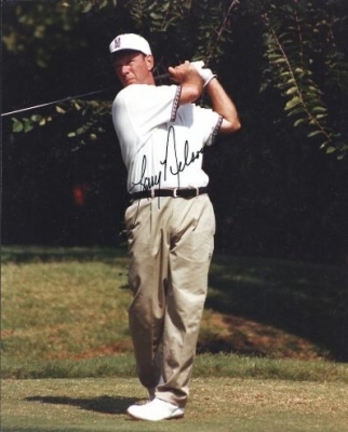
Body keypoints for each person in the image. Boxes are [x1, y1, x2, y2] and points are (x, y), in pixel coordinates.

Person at [109, 33, 241, 421]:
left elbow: (232, 121)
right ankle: (154, 385)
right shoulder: (130, 100)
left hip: (196, 206)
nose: (124, 68)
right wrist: (192, 76)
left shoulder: (190, 110)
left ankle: (170, 397)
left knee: (186, 302)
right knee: (146, 307)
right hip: (148, 207)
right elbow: (189, 91)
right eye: (118, 63)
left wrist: (209, 75)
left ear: (150, 61)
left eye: (131, 59)